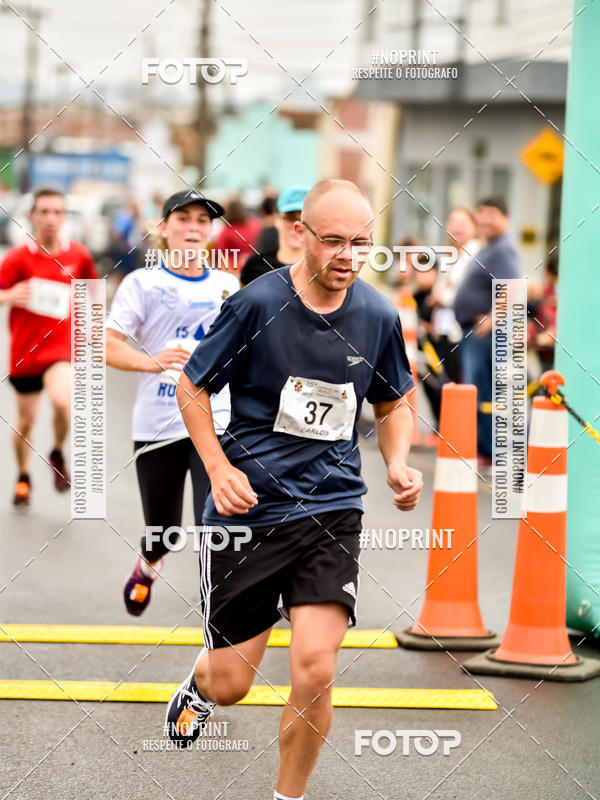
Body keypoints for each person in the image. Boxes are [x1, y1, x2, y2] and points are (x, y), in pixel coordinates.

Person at [166, 179, 424, 800]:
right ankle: (200, 687)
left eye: (361, 243)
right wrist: (220, 470)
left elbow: (395, 401)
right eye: (333, 240)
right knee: (234, 682)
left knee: (316, 667)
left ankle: (288, 797)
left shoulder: (379, 315)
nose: (348, 255)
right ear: (301, 235)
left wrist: (396, 463)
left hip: (333, 509)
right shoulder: (257, 305)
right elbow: (192, 388)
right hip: (249, 511)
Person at [105, 190, 239, 616]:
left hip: (213, 420)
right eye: (184, 219)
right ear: (163, 228)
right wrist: (150, 362)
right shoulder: (142, 283)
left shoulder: (227, 285)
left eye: (204, 220)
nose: (194, 228)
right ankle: (148, 565)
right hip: (158, 422)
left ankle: (217, 621)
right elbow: (106, 345)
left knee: (213, 525)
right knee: (164, 531)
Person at [0, 187, 98, 509]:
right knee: (26, 422)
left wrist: (96, 328)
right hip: (26, 353)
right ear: (32, 216)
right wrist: (11, 295)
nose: (51, 218)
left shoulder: (79, 255)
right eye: (44, 211)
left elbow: (93, 293)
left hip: (60, 350)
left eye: (57, 212)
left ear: (64, 217)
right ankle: (23, 476)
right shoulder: (18, 258)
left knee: (62, 401)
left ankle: (56, 450)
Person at [453, 196, 521, 466]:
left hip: (486, 334)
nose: (485, 220)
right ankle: (486, 450)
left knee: (487, 394)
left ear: (505, 218)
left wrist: (491, 320)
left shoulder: (503, 248)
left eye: (492, 214)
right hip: (476, 333)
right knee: (480, 391)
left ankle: (494, 453)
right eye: (482, 214)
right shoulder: (489, 247)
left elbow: (513, 287)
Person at [429, 207, 480, 383]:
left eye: (463, 223)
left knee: (465, 383)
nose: (457, 228)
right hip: (446, 330)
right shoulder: (448, 255)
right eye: (453, 222)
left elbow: (469, 294)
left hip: (467, 332)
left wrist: (442, 298)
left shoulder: (477, 253)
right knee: (447, 382)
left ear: (474, 227)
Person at [240, 185, 309, 286]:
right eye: (290, 218)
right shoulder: (255, 266)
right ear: (277, 219)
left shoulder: (321, 270)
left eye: (304, 220)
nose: (297, 226)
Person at [211, 196, 262, 273]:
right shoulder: (257, 225)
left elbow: (220, 258)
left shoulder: (226, 233)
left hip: (236, 273)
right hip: (257, 270)